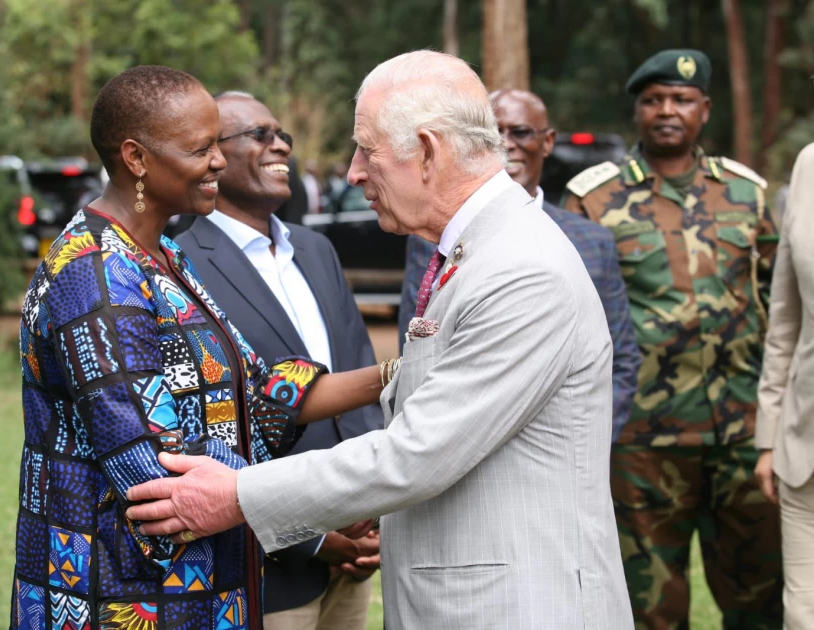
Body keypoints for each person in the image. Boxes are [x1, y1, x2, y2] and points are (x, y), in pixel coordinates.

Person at [126, 51, 632, 629]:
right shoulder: (474, 252)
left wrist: (239, 493)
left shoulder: (520, 270)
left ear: (427, 151)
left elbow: (417, 453)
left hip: (518, 606)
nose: (353, 173)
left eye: (367, 149)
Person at [10, 65, 383, 630]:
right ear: (136, 158)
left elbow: (261, 394)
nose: (218, 161)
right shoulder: (97, 275)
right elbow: (154, 466)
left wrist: (398, 372)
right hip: (122, 593)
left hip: (205, 586)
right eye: (200, 148)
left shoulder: (163, 257)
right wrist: (310, 513)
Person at [562, 49, 784, 627]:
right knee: (650, 609)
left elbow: (778, 301)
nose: (667, 110)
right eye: (653, 100)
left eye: (681, 99)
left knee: (758, 598)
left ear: (704, 110)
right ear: (636, 111)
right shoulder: (594, 198)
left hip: (743, 434)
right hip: (642, 440)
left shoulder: (746, 194)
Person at [175, 92, 384, 630]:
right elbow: (212, 420)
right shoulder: (182, 263)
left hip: (357, 550)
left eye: (283, 134)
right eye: (261, 135)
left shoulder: (316, 250)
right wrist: (311, 537)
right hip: (268, 570)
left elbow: (356, 365)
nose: (282, 145)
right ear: (211, 156)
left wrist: (371, 506)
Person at [398, 88, 639, 443]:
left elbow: (621, 362)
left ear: (547, 142)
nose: (506, 144)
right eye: (494, 133)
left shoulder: (592, 242)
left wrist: (586, 441)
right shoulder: (434, 239)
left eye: (521, 132)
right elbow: (418, 356)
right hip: (465, 443)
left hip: (566, 449)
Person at [754, 142, 814, 629]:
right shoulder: (809, 165)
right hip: (804, 444)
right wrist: (769, 435)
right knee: (803, 614)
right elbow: (786, 318)